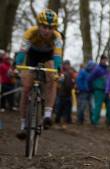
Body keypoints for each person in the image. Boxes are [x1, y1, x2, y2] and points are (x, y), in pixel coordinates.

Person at [14, 8, 63, 139]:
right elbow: (22, 53)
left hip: (48, 57)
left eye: (50, 27)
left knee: (53, 79)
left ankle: (47, 114)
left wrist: (58, 71)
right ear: (38, 25)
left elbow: (57, 58)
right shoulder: (30, 33)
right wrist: (16, 66)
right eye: (44, 27)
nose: (47, 30)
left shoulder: (57, 37)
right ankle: (24, 125)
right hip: (32, 56)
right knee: (26, 88)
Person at [87, 55, 109, 127]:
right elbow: (89, 79)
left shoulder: (106, 69)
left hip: (106, 91)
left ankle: (109, 122)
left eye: (106, 60)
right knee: (97, 106)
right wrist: (91, 89)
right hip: (98, 90)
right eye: (104, 60)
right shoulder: (97, 69)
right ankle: (95, 122)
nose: (106, 61)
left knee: (109, 107)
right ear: (101, 60)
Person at [54, 60, 74, 126]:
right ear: (64, 65)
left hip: (69, 94)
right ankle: (57, 120)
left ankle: (67, 120)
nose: (67, 66)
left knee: (68, 108)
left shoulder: (71, 73)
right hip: (62, 94)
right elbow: (59, 81)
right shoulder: (62, 73)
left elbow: (73, 81)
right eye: (66, 64)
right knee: (59, 108)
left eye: (68, 65)